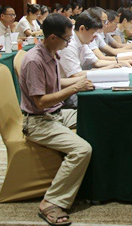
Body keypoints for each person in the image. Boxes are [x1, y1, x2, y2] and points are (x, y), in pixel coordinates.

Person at [19, 13, 94, 226]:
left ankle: (90, 183)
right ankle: (51, 201)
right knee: (82, 150)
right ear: (52, 37)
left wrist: (80, 81)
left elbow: (55, 83)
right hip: (38, 121)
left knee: (95, 118)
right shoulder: (34, 60)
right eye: (66, 39)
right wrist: (75, 87)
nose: (68, 43)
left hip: (56, 113)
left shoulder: (51, 52)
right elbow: (41, 101)